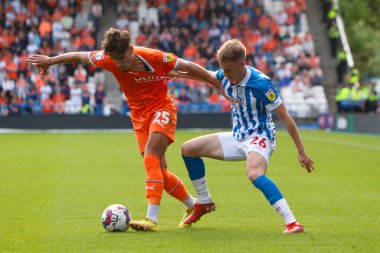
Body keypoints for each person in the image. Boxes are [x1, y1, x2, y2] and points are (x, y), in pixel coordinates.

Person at [27, 28, 224, 231]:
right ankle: (196, 205)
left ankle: (151, 219)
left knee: (150, 157)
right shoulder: (107, 58)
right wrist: (50, 61)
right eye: (115, 59)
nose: (119, 64)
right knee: (160, 173)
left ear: (131, 49)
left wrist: (214, 83)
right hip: (139, 118)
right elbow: (79, 55)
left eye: (121, 58)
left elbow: (188, 66)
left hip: (162, 109)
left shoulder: (155, 57)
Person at [172, 39, 314, 234]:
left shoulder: (261, 84)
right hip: (238, 136)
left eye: (228, 70)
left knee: (254, 173)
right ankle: (204, 202)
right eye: (223, 70)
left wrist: (301, 151)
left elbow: (286, 117)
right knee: (188, 149)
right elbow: (208, 77)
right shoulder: (225, 75)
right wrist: (178, 74)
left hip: (260, 136)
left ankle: (292, 222)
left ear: (242, 64)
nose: (226, 75)